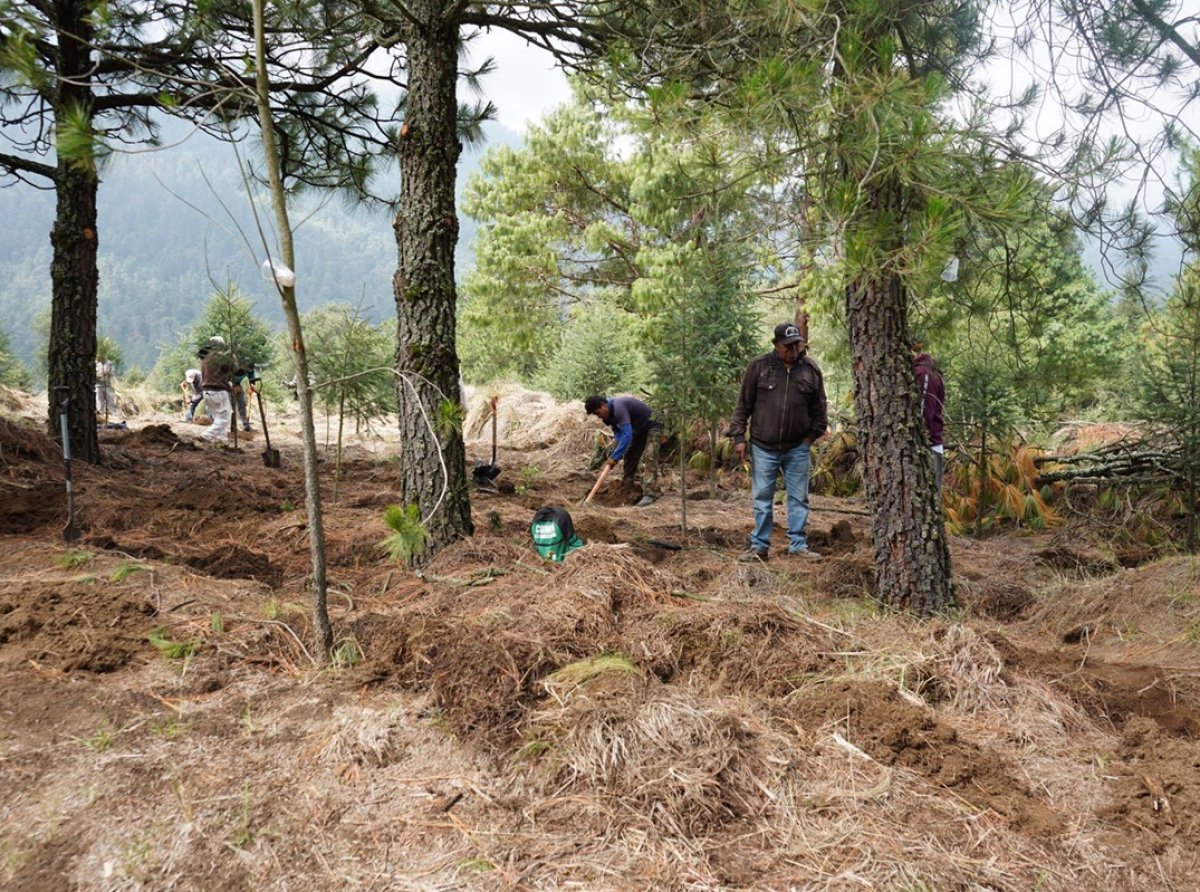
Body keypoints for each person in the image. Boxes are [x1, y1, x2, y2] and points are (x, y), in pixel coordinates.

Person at [728, 321, 828, 562]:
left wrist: (809, 438)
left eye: (796, 345)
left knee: (799, 498)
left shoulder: (810, 369)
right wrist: (739, 437)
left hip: (798, 447)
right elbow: (743, 404)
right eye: (787, 346)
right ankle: (759, 547)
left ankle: (798, 545)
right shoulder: (759, 366)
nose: (793, 350)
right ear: (775, 345)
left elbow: (820, 408)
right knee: (762, 497)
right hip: (763, 446)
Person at [584, 394, 663, 507]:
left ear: (603, 405)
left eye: (598, 413)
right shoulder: (608, 415)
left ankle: (650, 494)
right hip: (639, 429)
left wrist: (615, 457)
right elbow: (618, 432)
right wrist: (616, 452)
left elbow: (627, 434)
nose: (599, 417)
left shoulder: (619, 408)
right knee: (630, 454)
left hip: (653, 424)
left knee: (650, 455)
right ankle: (627, 485)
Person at [912, 334, 946, 491]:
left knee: (927, 499)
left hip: (926, 447)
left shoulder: (924, 373)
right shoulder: (925, 371)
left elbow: (924, 411)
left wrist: (917, 443)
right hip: (926, 447)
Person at [200, 336, 238, 446]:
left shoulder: (205, 357)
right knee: (225, 418)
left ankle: (222, 442)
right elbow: (234, 368)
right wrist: (233, 357)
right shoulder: (220, 357)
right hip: (218, 391)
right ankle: (206, 435)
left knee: (218, 419)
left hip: (206, 392)